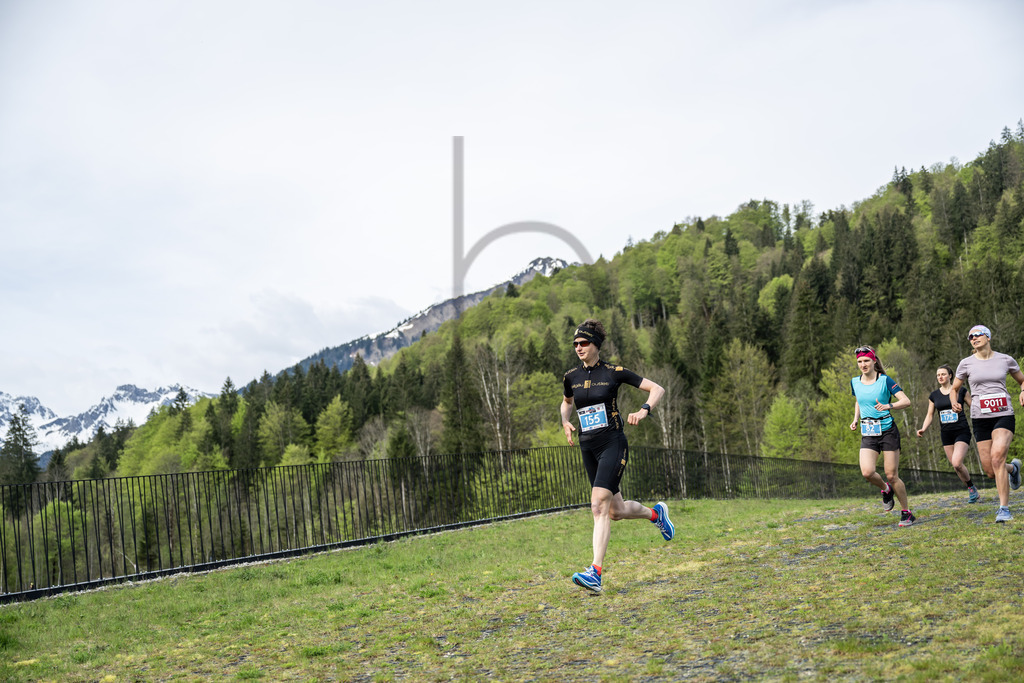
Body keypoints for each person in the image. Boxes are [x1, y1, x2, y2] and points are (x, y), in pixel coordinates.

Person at [560, 319, 671, 594]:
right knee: (615, 511)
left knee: (598, 505)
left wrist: (644, 410)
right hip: (588, 446)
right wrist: (565, 421)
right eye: (575, 344)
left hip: (612, 443)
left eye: (584, 343)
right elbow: (566, 402)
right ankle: (656, 514)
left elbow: (657, 389)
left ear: (596, 345)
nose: (578, 347)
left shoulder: (614, 372)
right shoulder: (571, 376)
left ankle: (595, 573)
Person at [949, 325, 1024, 523]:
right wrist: (954, 401)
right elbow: (954, 388)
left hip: (1003, 414)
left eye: (977, 335)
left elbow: (1022, 381)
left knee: (997, 458)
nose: (973, 338)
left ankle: (1004, 509)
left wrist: (1023, 391)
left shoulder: (1005, 359)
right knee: (991, 470)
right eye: (970, 337)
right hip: (980, 418)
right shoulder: (966, 363)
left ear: (988, 337)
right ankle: (1013, 469)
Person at [848, 345, 916, 527]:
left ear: (874, 361)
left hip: (887, 432)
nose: (863, 364)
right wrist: (855, 419)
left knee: (892, 475)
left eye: (866, 361)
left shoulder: (884, 380)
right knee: (867, 472)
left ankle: (906, 512)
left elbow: (906, 401)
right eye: (860, 361)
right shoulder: (855, 382)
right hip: (868, 433)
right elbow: (859, 400)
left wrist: (888, 406)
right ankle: (886, 490)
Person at [916, 365, 979, 503]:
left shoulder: (961, 391)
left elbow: (974, 408)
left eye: (943, 374)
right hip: (946, 434)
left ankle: (971, 487)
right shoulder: (934, 396)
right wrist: (923, 428)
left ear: (950, 376)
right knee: (956, 467)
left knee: (957, 463)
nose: (940, 377)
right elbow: (930, 415)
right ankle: (971, 488)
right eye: (938, 375)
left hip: (961, 431)